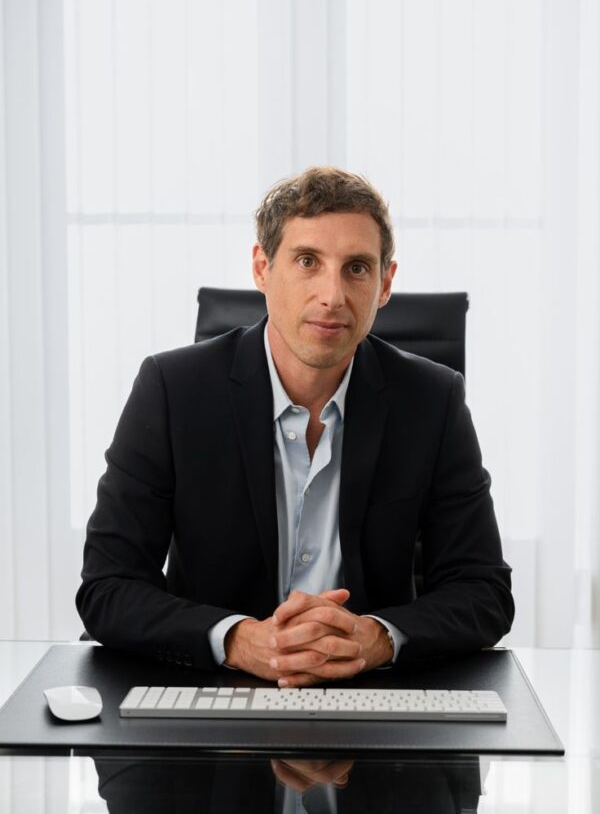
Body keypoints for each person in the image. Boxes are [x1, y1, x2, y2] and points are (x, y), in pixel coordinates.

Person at [76, 166, 514, 688]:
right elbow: (108, 586)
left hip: (370, 693)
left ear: (385, 284)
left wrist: (377, 638)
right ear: (262, 268)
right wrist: (238, 639)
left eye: (356, 268)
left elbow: (483, 591)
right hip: (211, 691)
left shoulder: (432, 401)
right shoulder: (172, 390)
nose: (332, 295)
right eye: (308, 261)